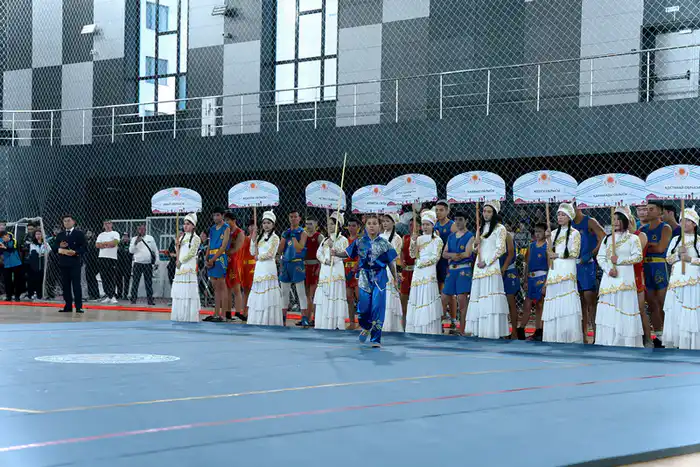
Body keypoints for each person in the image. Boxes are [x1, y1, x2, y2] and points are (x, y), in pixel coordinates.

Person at [333, 214, 398, 347]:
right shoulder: (359, 242)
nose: (372, 226)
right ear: (365, 226)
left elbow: (391, 263)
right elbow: (347, 253)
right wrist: (336, 253)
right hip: (364, 277)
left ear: (379, 226)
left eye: (375, 223)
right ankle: (366, 326)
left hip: (379, 278)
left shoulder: (385, 244)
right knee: (363, 308)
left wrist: (395, 279)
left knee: (377, 307)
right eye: (369, 224)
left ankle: (376, 339)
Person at [594, 207, 643, 347]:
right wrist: (608, 269)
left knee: (624, 307)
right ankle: (608, 341)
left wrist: (619, 260)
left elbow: (638, 257)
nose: (615, 222)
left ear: (625, 221)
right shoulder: (607, 239)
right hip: (609, 280)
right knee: (610, 309)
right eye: (613, 219)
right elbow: (600, 257)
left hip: (625, 280)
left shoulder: (633, 239)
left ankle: (624, 342)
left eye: (618, 219)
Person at [465, 201, 509, 338]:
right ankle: (479, 331)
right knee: (479, 298)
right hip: (479, 268)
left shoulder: (500, 228)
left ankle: (492, 331)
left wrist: (487, 262)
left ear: (494, 213)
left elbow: (501, 249)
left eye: (489, 211)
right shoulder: (481, 227)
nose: (486, 214)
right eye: (484, 211)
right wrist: (475, 244)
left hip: (491, 267)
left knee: (490, 298)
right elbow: (475, 249)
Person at [542, 203, 583, 343]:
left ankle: (568, 336)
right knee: (555, 298)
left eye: (563, 215)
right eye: (559, 214)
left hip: (567, 270)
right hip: (555, 270)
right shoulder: (553, 233)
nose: (560, 217)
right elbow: (549, 253)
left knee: (566, 300)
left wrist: (557, 255)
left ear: (569, 217)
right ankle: (554, 335)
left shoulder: (575, 233)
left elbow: (575, 253)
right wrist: (547, 239)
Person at [663, 206, 700, 349]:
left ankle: (691, 342)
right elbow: (668, 259)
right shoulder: (675, 240)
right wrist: (678, 255)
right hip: (677, 280)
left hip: (693, 281)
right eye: (681, 221)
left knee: (690, 308)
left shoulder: (698, 240)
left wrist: (690, 259)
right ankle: (677, 340)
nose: (683, 223)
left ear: (694, 224)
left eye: (687, 221)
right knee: (676, 308)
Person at [406, 210, 444, 335]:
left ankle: (429, 328)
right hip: (418, 272)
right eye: (423, 224)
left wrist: (421, 263)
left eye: (428, 224)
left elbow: (436, 257)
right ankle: (416, 327)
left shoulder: (437, 240)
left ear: (433, 225)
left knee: (428, 295)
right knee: (417, 296)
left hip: (428, 270)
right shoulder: (419, 239)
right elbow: (412, 255)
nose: (425, 227)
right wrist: (413, 241)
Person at [571, 205, 605, 342]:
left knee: (590, 299)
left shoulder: (590, 221)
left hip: (587, 265)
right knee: (578, 302)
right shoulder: (568, 223)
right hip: (573, 265)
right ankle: (583, 337)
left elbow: (603, 237)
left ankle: (597, 336)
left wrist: (592, 253)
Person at [642, 200, 672, 344]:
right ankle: (659, 336)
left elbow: (660, 249)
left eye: (651, 209)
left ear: (660, 211)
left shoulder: (665, 228)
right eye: (646, 209)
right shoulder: (643, 229)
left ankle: (669, 334)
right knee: (651, 303)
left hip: (660, 266)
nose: (648, 211)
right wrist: (652, 245)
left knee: (662, 302)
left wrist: (647, 245)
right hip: (646, 267)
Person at [248, 211, 283, 326]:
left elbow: (271, 254)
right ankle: (257, 320)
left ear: (273, 224)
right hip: (259, 269)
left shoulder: (275, 238)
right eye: (264, 223)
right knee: (259, 294)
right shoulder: (260, 238)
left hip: (268, 268)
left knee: (268, 294)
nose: (266, 225)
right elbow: (252, 252)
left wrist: (259, 257)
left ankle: (269, 321)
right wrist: (253, 240)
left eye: (268, 223)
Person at [441, 211, 474, 335]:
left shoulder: (470, 236)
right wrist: (456, 255)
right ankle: (440, 325)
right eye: (456, 219)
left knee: (462, 299)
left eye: (460, 219)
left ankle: (462, 330)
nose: (458, 222)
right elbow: (444, 254)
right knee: (444, 297)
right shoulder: (451, 236)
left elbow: (467, 253)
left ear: (466, 221)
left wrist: (452, 255)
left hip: (463, 270)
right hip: (452, 270)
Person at [314, 211, 348, 330]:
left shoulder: (343, 240)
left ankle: (336, 324)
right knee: (325, 295)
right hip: (325, 271)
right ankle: (323, 323)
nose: (330, 226)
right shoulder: (325, 240)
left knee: (335, 294)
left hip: (336, 271)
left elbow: (344, 254)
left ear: (339, 225)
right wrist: (325, 261)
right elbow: (318, 253)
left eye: (332, 224)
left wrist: (333, 246)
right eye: (328, 224)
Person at [51, 215, 87, 313]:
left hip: (75, 262)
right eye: (65, 221)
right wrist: (59, 246)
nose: (67, 223)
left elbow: (84, 247)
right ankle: (68, 306)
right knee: (65, 285)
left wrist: (75, 252)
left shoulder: (79, 234)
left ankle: (79, 306)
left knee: (76, 285)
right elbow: (54, 248)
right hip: (63, 263)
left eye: (68, 220)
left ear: (73, 222)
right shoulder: (60, 235)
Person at [279, 210, 309, 326]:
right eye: (291, 217)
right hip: (286, 263)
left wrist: (293, 237)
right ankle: (283, 318)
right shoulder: (285, 232)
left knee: (301, 292)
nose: (293, 219)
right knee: (284, 292)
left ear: (299, 218)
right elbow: (280, 250)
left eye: (295, 216)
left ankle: (304, 317)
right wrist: (284, 238)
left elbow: (299, 248)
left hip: (297, 264)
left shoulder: (302, 233)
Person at [171, 213, 202, 322]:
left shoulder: (196, 238)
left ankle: (189, 317)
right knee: (180, 292)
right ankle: (179, 316)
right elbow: (178, 252)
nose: (185, 226)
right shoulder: (181, 237)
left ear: (193, 226)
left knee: (188, 292)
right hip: (180, 267)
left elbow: (192, 253)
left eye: (188, 224)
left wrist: (181, 261)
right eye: (184, 224)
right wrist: (176, 245)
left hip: (188, 267)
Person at [633, 206, 654, 348]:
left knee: (641, 308)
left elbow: (636, 254)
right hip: (621, 273)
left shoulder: (640, 235)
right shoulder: (614, 237)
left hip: (638, 271)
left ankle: (648, 339)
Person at [205, 208, 231, 322]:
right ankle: (215, 313)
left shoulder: (226, 228)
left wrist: (213, 259)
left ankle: (223, 315)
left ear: (222, 215)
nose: (215, 217)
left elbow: (223, 246)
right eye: (214, 215)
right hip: (211, 256)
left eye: (218, 215)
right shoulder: (212, 229)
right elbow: (209, 244)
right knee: (215, 287)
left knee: (222, 286)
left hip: (220, 257)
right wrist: (207, 258)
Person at [523, 223, 548, 341]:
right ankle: (523, 329)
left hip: (542, 277)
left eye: (540, 231)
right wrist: (525, 279)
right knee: (528, 304)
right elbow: (527, 263)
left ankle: (540, 330)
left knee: (540, 305)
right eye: (536, 231)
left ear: (545, 233)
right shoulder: (531, 246)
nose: (537, 234)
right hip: (531, 278)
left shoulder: (547, 246)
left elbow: (550, 266)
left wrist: (546, 282)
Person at [381, 213, 404, 332]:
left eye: (387, 221)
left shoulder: (397, 238)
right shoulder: (380, 236)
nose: (385, 223)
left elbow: (395, 255)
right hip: (380, 268)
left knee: (389, 295)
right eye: (383, 221)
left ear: (394, 222)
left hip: (390, 269)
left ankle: (390, 325)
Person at [434, 201, 455, 325]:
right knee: (438, 291)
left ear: (447, 211)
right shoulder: (434, 225)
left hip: (447, 261)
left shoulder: (452, 225)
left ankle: (453, 320)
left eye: (441, 210)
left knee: (450, 292)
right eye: (436, 210)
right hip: (436, 262)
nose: (438, 212)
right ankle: (440, 319)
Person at [129, 224, 158, 306]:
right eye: (140, 229)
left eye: (143, 229)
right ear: (137, 230)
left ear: (145, 229)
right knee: (135, 282)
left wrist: (157, 261)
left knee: (148, 283)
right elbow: (131, 251)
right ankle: (133, 299)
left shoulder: (150, 238)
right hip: (138, 263)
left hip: (147, 264)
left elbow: (155, 250)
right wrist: (136, 243)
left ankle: (150, 300)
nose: (141, 230)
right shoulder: (134, 239)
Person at [500, 223, 521, 339]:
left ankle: (514, 332)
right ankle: (502, 331)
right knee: (498, 302)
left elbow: (511, 254)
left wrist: (504, 268)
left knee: (511, 302)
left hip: (509, 271)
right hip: (497, 271)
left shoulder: (507, 235)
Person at [224, 211, 245, 321]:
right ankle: (227, 313)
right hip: (225, 261)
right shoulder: (226, 231)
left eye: (228, 220)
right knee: (226, 288)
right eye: (225, 220)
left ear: (234, 221)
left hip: (234, 262)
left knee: (236, 288)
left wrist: (225, 253)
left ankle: (238, 312)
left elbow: (237, 248)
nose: (226, 222)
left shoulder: (239, 233)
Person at [304, 217, 323, 325]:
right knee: (306, 295)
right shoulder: (304, 236)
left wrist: (319, 268)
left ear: (316, 224)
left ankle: (315, 318)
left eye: (310, 223)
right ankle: (307, 318)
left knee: (314, 294)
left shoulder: (319, 237)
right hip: (305, 267)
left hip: (315, 266)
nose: (308, 226)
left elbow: (322, 253)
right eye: (307, 224)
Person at [96, 220, 120, 304]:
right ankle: (108, 295)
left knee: (111, 277)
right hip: (102, 257)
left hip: (111, 258)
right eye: (105, 223)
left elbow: (115, 243)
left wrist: (104, 244)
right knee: (104, 277)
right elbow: (97, 245)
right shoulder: (101, 235)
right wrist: (108, 244)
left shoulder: (115, 233)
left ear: (111, 224)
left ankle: (112, 296)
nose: (107, 225)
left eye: (109, 223)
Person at [344, 217, 361, 329]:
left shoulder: (360, 240)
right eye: (349, 225)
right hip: (346, 269)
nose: (351, 228)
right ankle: (351, 322)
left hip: (357, 270)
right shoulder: (344, 240)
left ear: (358, 227)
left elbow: (361, 256)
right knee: (349, 298)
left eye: (354, 226)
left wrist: (354, 269)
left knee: (359, 297)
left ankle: (362, 322)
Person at [400, 220, 416, 327]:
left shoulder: (421, 239)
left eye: (415, 225)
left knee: (415, 298)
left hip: (416, 271)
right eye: (410, 225)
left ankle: (414, 323)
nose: (412, 227)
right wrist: (401, 261)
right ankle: (404, 324)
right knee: (404, 296)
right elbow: (401, 251)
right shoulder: (405, 238)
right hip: (406, 271)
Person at [27, 230, 50, 300]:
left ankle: (41, 294)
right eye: (37, 234)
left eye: (39, 234)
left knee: (42, 280)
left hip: (43, 264)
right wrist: (41, 254)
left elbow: (49, 251)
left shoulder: (46, 243)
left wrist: (42, 254)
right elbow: (33, 253)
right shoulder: (32, 244)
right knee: (34, 280)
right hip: (34, 265)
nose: (38, 236)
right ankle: (32, 294)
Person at [240, 220, 257, 316]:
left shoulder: (259, 239)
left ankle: (253, 311)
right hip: (245, 266)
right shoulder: (245, 239)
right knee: (245, 290)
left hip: (254, 265)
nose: (252, 227)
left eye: (253, 225)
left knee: (253, 289)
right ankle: (244, 312)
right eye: (250, 226)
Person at [0, 229, 22, 301]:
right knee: (7, 280)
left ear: (7, 235)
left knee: (17, 280)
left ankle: (17, 296)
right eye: (2, 238)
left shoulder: (14, 240)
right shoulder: (2, 242)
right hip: (7, 264)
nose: (3, 239)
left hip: (16, 263)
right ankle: (8, 296)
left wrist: (4, 247)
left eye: (4, 237)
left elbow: (12, 248)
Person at [84, 230, 100, 301]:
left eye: (89, 233)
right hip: (87, 262)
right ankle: (91, 294)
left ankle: (95, 294)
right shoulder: (86, 242)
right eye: (87, 233)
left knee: (92, 278)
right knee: (89, 278)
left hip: (94, 263)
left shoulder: (95, 242)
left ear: (93, 234)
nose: (88, 234)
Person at [116, 233, 132, 300]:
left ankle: (125, 294)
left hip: (127, 265)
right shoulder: (118, 244)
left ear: (128, 238)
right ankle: (119, 294)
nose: (125, 238)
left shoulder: (130, 244)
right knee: (118, 280)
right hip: (119, 264)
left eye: (126, 236)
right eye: (123, 236)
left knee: (126, 280)